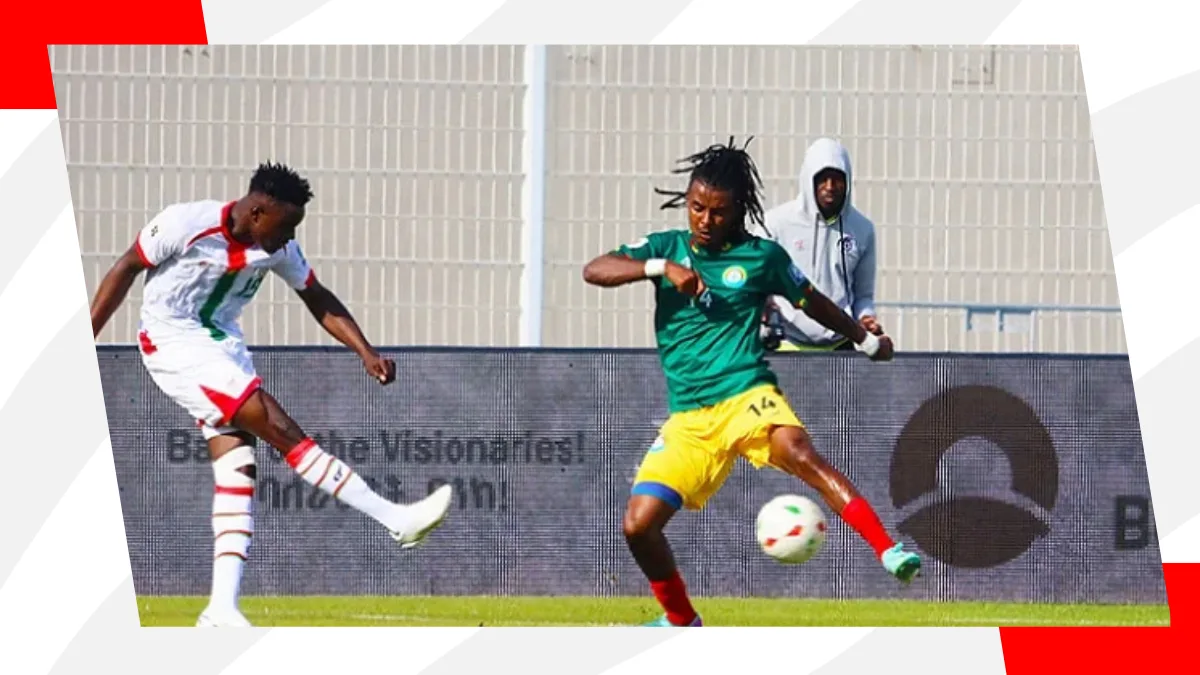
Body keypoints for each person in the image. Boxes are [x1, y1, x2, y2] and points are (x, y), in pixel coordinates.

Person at [89, 162, 453, 628]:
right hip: (173, 343)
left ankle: (221, 609)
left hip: (223, 346)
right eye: (286, 226)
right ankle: (394, 519)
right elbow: (124, 268)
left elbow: (317, 296)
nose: (288, 238)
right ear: (257, 212)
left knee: (238, 468)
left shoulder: (276, 247)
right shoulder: (185, 223)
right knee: (281, 429)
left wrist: (365, 351)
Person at [582, 138, 920, 628]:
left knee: (801, 452)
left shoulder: (761, 257)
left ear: (738, 210)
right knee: (638, 525)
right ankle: (680, 620)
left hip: (746, 395)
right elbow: (595, 270)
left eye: (717, 211)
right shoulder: (666, 248)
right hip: (690, 420)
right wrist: (659, 269)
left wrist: (864, 341)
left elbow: (814, 302)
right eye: (696, 206)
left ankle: (888, 549)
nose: (703, 219)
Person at [749, 137, 882, 352]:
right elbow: (754, 279)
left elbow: (863, 296)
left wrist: (867, 319)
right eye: (822, 179)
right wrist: (764, 305)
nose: (829, 187)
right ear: (808, 179)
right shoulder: (774, 224)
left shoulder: (863, 229)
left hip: (840, 347)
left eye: (837, 179)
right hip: (787, 346)